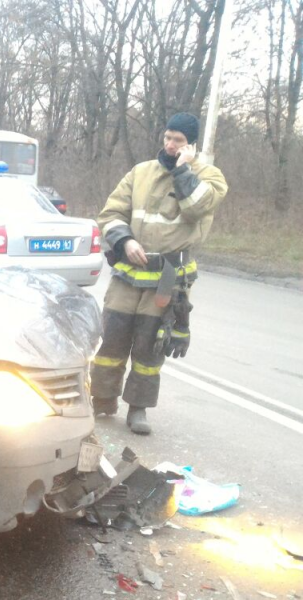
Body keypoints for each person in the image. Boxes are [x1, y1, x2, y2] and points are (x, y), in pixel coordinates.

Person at [91, 113, 228, 435]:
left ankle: (138, 408)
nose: (169, 145)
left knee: (149, 347)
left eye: (178, 141)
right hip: (128, 274)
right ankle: (103, 399)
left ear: (190, 145)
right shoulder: (140, 172)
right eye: (167, 137)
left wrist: (183, 169)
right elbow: (110, 214)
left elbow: (196, 207)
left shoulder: (211, 177)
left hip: (168, 278)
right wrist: (124, 241)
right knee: (112, 341)